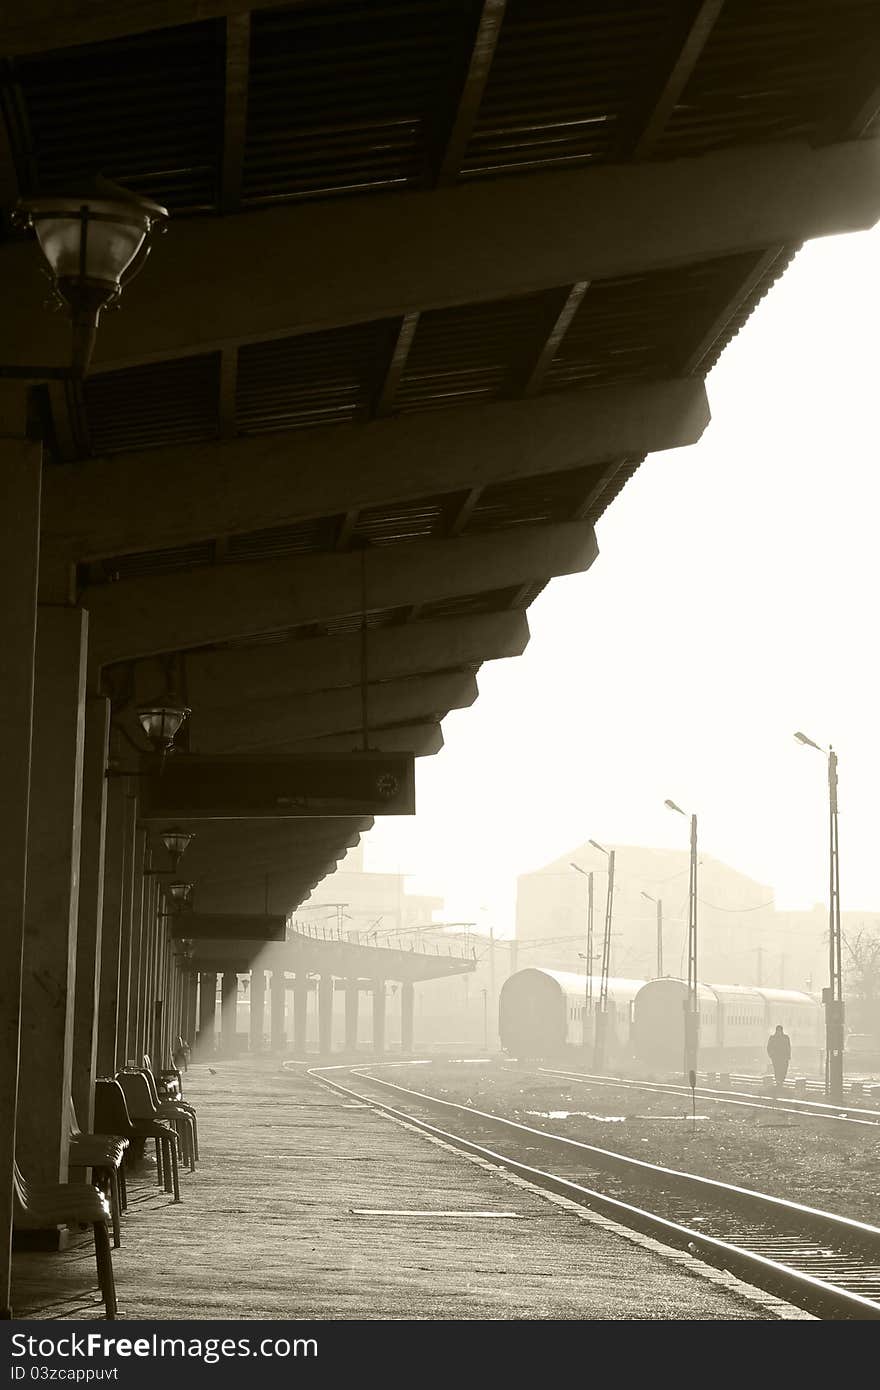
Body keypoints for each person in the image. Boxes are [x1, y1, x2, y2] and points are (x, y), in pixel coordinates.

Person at [767, 1024, 791, 1089]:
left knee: (784, 1070)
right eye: (778, 1031)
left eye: (780, 1031)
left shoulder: (786, 1037)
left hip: (784, 1057)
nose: (779, 1032)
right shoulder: (773, 1038)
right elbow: (769, 1047)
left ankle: (781, 1081)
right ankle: (778, 1082)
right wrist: (771, 1055)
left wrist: (788, 1056)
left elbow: (788, 1047)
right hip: (776, 1058)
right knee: (777, 1070)